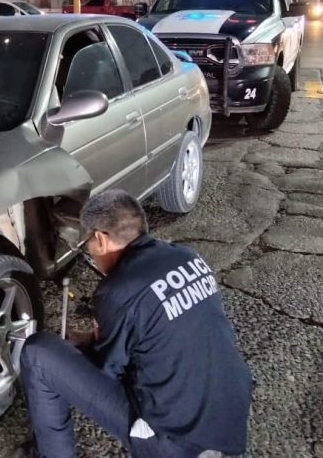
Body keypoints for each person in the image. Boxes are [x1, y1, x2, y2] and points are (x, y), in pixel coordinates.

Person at [19, 190, 252, 458]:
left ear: (100, 239)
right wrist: (85, 339)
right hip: (228, 415)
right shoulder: (187, 257)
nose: (91, 254)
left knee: (38, 352)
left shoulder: (117, 291)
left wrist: (77, 351)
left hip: (173, 438)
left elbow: (109, 370)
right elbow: (161, 331)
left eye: (86, 247)